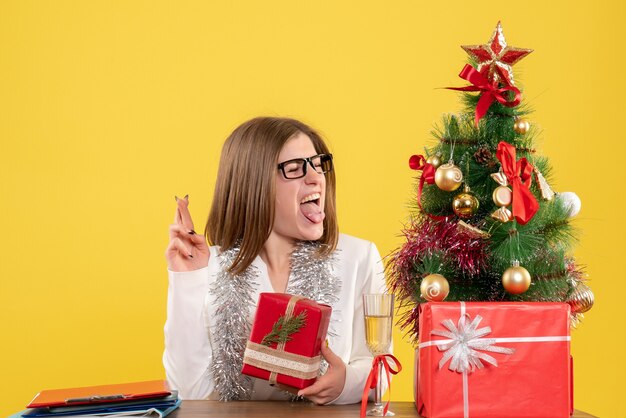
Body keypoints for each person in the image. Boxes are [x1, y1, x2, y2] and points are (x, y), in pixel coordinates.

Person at [163, 116, 388, 405]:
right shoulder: (208, 266)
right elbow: (188, 390)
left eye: (318, 164)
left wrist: (346, 385)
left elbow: (381, 372)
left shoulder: (359, 257)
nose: (315, 177)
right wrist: (187, 282)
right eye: (294, 169)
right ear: (253, 184)